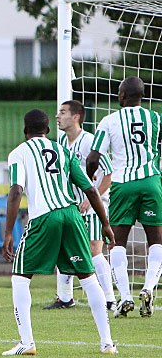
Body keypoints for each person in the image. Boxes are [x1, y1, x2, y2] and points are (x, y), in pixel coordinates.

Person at [3, 109, 116, 356]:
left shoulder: (18, 153)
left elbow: (15, 191)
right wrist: (105, 224)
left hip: (44, 217)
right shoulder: (63, 151)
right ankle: (107, 343)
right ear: (48, 130)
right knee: (88, 277)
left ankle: (27, 342)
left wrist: (8, 232)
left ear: (25, 130)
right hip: (72, 215)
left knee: (20, 277)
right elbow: (90, 188)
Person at [87, 76, 162, 318]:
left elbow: (93, 157)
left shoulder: (109, 120)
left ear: (123, 95)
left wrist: (90, 178)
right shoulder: (155, 118)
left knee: (117, 242)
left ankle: (126, 297)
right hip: (151, 181)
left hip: (123, 184)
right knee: (157, 241)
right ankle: (149, 288)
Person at [43, 100, 116, 311]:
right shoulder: (61, 145)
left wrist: (91, 198)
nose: (58, 116)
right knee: (65, 248)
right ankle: (65, 298)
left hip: (93, 206)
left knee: (94, 250)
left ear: (76, 117)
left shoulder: (90, 142)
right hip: (71, 207)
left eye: (63, 112)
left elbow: (108, 175)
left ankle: (110, 299)